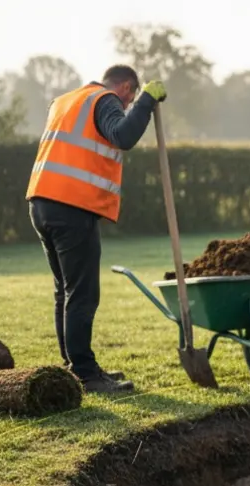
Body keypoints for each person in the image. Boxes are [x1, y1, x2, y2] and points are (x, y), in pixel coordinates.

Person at [26, 66, 167, 393]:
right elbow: (123, 136)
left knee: (65, 290)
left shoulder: (64, 101)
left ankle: (73, 368)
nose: (128, 106)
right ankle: (87, 375)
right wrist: (147, 100)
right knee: (83, 293)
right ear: (127, 88)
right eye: (131, 99)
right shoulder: (105, 100)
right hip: (72, 206)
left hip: (41, 202)